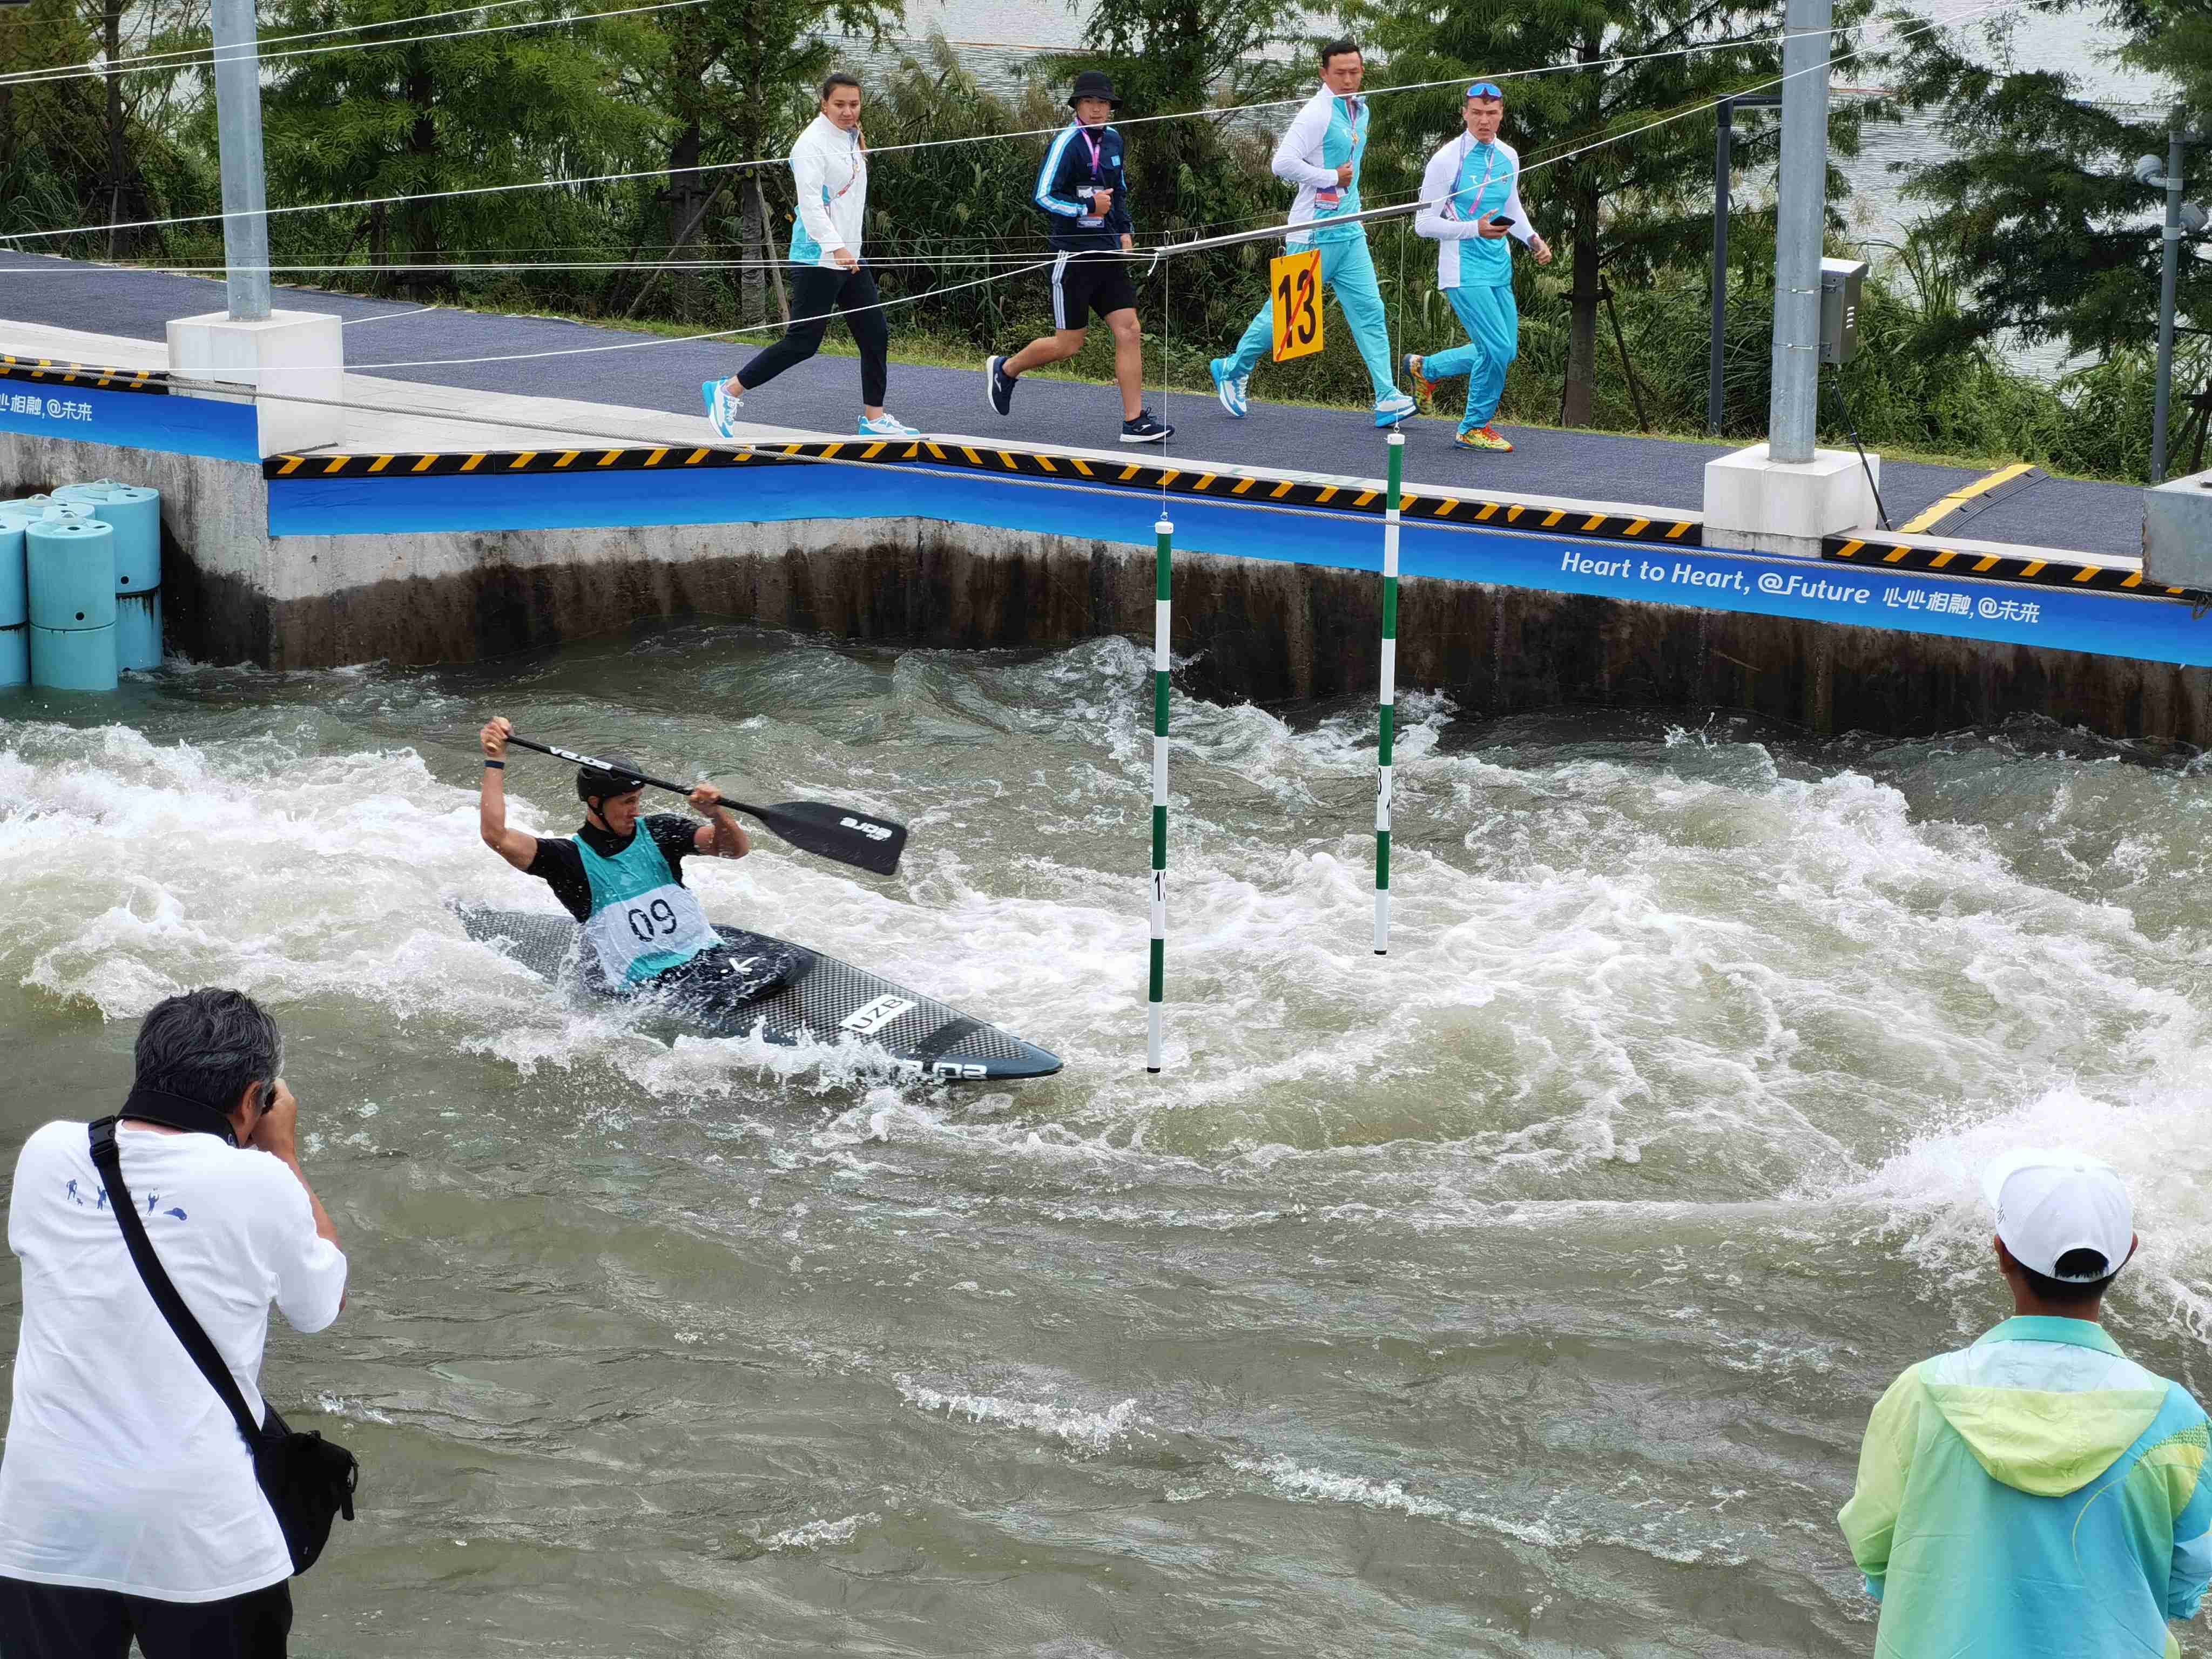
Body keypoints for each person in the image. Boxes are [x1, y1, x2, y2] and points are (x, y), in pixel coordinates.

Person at [0, 989, 347, 1659]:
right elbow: (321, 1306)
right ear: (253, 1098)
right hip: (199, 1538)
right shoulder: (259, 1183)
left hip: (45, 1525)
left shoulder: (48, 1154)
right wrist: (282, 1151)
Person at [1838, 1149, 2212, 1659]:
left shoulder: (1920, 1393)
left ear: (2002, 1253)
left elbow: (1875, 1544)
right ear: (2127, 1253)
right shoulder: (2177, 1417)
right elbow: (2188, 1572)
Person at [477, 716, 793, 1003]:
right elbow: (497, 836)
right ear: (595, 803)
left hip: (706, 955)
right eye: (627, 802)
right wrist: (496, 760)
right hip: (647, 986)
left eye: (638, 800)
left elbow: (734, 850)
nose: (637, 810)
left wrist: (717, 814)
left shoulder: (660, 832)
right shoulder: (568, 860)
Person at [1208, 40, 1415, 431]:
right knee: (1285, 321)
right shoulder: (1316, 113)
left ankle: (1387, 396)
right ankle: (1232, 370)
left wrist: (1345, 192)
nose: (1349, 79)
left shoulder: (1360, 108)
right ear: (1324, 74)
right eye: (1340, 73)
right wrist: (1330, 178)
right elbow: (1282, 163)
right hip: (1312, 233)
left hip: (1350, 232)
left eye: (1355, 71)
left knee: (1371, 311)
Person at [703, 72, 919, 442]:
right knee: (803, 342)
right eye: (840, 105)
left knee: (875, 334)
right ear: (823, 103)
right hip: (818, 257)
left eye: (854, 104)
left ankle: (874, 419)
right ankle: (727, 391)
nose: (848, 112)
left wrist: (848, 250)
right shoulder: (811, 146)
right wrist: (836, 247)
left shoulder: (849, 136)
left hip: (849, 257)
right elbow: (812, 208)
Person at [985, 70, 1172, 445]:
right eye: (1090, 103)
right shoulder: (1067, 143)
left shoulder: (1116, 141)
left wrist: (1124, 229)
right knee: (1069, 344)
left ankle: (1134, 421)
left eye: (1103, 103)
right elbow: (1043, 196)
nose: (1097, 109)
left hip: (1107, 253)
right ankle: (1006, 369)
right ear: (1077, 106)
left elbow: (1117, 193)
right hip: (1073, 256)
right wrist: (1086, 204)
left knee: (1130, 330)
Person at [1404, 81, 1552, 453]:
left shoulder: (1509, 156)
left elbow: (1511, 205)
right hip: (1462, 269)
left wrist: (1532, 238)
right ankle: (1473, 429)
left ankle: (1428, 369)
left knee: (1505, 351)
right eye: (1477, 113)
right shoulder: (1446, 160)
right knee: (1497, 351)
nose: (1484, 121)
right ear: (1464, 113)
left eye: (1491, 113)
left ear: (1502, 114)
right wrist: (1475, 229)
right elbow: (1423, 225)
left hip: (1498, 267)